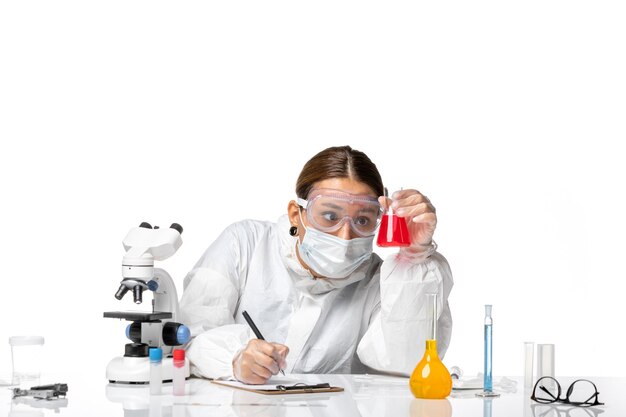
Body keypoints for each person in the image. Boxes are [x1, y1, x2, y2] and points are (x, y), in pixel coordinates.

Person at [179, 145, 453, 384]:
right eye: (330, 215)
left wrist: (415, 256)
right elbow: (188, 336)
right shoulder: (245, 244)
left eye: (362, 220)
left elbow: (406, 363)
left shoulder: (383, 280)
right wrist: (235, 360)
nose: (345, 236)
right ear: (296, 215)